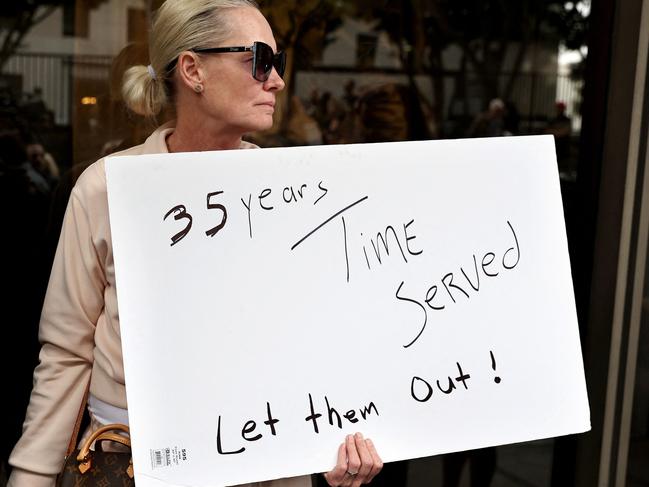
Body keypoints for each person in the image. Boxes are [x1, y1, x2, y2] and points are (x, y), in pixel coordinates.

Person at [6, 2, 383, 487]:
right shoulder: (106, 189)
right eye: (260, 60)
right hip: (125, 465)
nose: (277, 81)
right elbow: (66, 351)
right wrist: (30, 475)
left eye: (278, 64)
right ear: (193, 70)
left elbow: (310, 348)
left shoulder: (296, 197)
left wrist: (327, 447)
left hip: (258, 468)